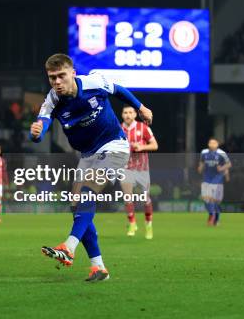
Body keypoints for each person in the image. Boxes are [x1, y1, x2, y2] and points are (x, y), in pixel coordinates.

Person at [30, 54, 152, 282]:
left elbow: (118, 89)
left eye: (61, 76)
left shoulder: (93, 82)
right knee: (76, 207)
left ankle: (69, 246)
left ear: (72, 73)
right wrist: (35, 133)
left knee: (88, 191)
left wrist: (141, 107)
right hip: (87, 155)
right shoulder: (52, 100)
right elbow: (42, 124)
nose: (57, 82)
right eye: (52, 78)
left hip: (114, 145)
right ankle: (99, 268)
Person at [120, 105, 158, 239]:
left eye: (130, 112)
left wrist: (142, 146)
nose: (128, 115)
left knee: (145, 199)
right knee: (127, 197)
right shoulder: (118, 129)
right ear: (122, 114)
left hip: (142, 169)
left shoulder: (143, 128)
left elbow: (155, 145)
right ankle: (132, 223)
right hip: (125, 168)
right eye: (125, 112)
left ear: (135, 114)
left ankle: (148, 226)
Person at [197, 138, 230, 226]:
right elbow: (201, 163)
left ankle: (214, 218)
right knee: (206, 199)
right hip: (206, 178)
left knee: (214, 200)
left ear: (217, 144)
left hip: (217, 179)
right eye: (210, 142)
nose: (212, 144)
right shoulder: (204, 152)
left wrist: (222, 169)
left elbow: (228, 164)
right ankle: (212, 215)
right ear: (208, 144)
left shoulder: (221, 153)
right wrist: (200, 168)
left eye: (214, 142)